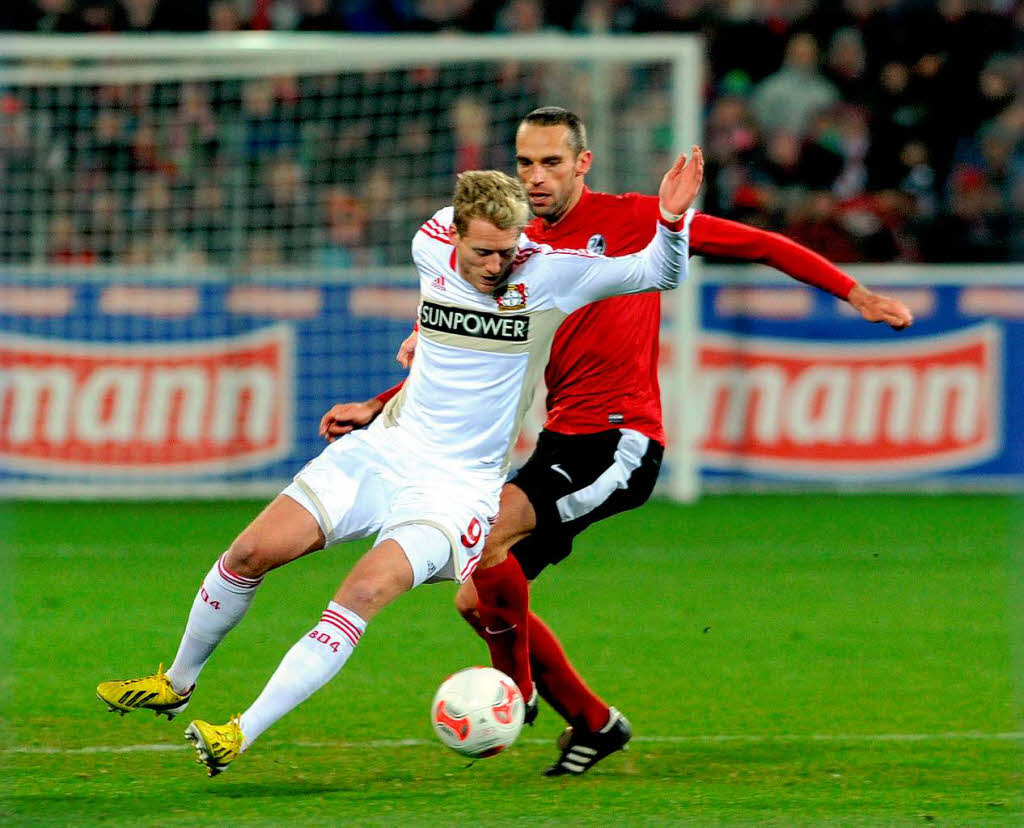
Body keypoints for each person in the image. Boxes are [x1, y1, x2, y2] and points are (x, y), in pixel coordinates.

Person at [320, 107, 914, 776]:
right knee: (475, 596)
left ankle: (516, 691)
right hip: (557, 443)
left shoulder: (632, 219)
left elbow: (759, 244)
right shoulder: (510, 249)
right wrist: (379, 405)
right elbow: (461, 357)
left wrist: (856, 292)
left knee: (485, 544)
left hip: (620, 442)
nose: (536, 177)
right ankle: (597, 723)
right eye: (524, 163)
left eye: (551, 162)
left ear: (583, 163)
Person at [95, 148, 705, 777]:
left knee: (360, 591)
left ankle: (238, 733)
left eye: (509, 249)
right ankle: (177, 680)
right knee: (250, 554)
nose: (498, 265)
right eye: (484, 252)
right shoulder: (428, 243)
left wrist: (671, 219)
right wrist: (394, 379)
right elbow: (441, 328)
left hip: (455, 493)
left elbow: (658, 271)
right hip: (386, 450)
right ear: (456, 234)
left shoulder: (550, 273)